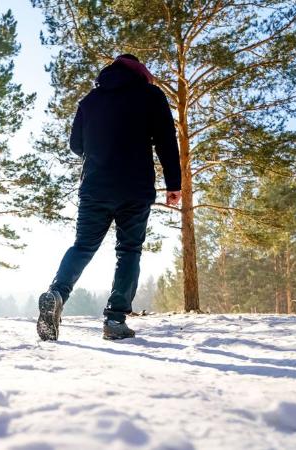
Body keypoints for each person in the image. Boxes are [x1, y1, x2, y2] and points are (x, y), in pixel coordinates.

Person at [37, 54, 182, 341]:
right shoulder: (150, 95)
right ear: (141, 72)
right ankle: (115, 320)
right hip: (134, 187)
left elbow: (76, 145)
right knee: (128, 250)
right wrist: (173, 184)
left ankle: (57, 293)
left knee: (83, 246)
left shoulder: (90, 100)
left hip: (94, 187)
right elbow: (166, 140)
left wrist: (101, 153)